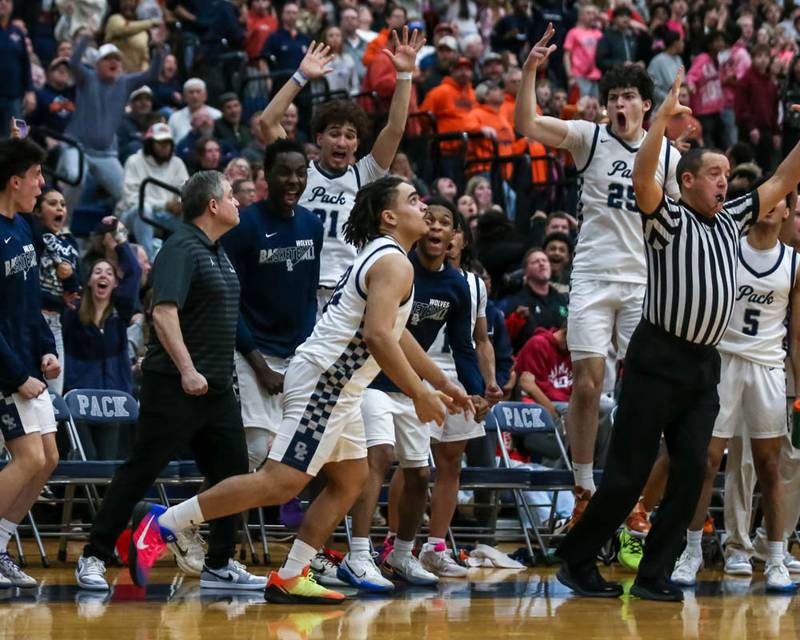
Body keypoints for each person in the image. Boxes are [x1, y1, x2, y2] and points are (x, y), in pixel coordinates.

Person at [128, 176, 472, 604]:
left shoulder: (391, 259)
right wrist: (419, 392)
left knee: (351, 479)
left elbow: (397, 334)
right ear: (388, 216)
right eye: (413, 200)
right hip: (327, 380)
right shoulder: (393, 263)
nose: (423, 208)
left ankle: (292, 574)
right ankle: (163, 523)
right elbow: (378, 337)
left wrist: (440, 382)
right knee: (281, 482)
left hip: (339, 385)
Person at [556, 70, 800, 602]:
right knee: (627, 475)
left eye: (726, 173)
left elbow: (782, 179)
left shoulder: (733, 218)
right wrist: (660, 124)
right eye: (713, 172)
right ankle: (577, 560)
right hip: (656, 358)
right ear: (686, 180)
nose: (722, 180)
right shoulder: (663, 218)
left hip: (703, 365)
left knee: (694, 471)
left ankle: (655, 574)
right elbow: (645, 177)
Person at [515, 25, 679, 538]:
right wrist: (529, 71)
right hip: (591, 277)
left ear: (646, 106)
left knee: (641, 394)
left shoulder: (668, 157)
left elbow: (674, 229)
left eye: (628, 96)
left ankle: (628, 498)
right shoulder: (589, 137)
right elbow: (525, 123)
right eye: (612, 97)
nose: (618, 104)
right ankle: (583, 490)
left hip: (642, 282)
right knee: (586, 386)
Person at [74, 171, 260, 591]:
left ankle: (220, 564)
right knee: (141, 470)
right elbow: (163, 312)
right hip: (174, 384)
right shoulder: (181, 246)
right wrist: (188, 369)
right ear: (212, 205)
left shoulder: (218, 251)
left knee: (235, 474)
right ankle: (94, 556)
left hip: (216, 388)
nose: (237, 202)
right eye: (231, 196)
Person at [340, 198, 486, 590]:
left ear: (455, 235)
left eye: (445, 222)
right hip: (373, 378)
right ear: (420, 228)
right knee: (380, 456)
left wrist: (474, 390)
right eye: (430, 219)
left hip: (411, 385)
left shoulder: (458, 285)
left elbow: (464, 345)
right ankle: (359, 554)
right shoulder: (399, 267)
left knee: (421, 473)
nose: (436, 227)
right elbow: (382, 332)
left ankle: (403, 554)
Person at [670, 195, 799, 592]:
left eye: (780, 201)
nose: (769, 204)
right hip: (722, 361)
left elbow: (797, 337)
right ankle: (691, 551)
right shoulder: (728, 247)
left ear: (788, 212)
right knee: (706, 461)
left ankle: (776, 557)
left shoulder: (794, 263)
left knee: (770, 465)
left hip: (766, 367)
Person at [259, 32, 422, 315]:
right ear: (319, 138)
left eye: (350, 136)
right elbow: (268, 121)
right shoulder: (300, 173)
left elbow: (395, 129)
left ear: (357, 144)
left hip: (345, 292)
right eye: (334, 134)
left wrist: (404, 75)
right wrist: (301, 76)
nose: (342, 142)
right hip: (300, 285)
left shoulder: (364, 175)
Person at [221, 139, 322, 474]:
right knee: (253, 451)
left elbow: (309, 295)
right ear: (266, 175)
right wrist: (260, 366)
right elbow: (229, 302)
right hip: (252, 352)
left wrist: (304, 353)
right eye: (284, 173)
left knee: (291, 455)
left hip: (296, 356)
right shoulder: (244, 225)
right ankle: (188, 520)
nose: (293, 180)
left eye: (300, 173)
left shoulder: (312, 225)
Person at [0, 136, 60, 588]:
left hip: (27, 364)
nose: (41, 185)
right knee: (27, 457)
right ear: (14, 180)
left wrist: (46, 348)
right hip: (7, 372)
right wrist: (17, 375)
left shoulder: (23, 229)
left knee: (49, 459)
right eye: (36, 176)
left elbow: (32, 302)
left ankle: (1, 544)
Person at [57, 37, 163, 215]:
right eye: (108, 58)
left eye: (117, 59)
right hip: (77, 146)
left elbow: (151, 76)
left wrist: (159, 53)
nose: (113, 61)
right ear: (97, 64)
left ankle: (115, 233)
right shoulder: (88, 77)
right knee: (77, 178)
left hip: (105, 153)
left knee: (127, 196)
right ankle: (60, 224)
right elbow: (74, 63)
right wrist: (85, 39)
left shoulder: (125, 82)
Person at [61, 228, 142, 460]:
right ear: (88, 281)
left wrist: (120, 240)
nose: (103, 276)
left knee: (107, 462)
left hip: (113, 399)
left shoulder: (121, 313)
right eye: (97, 272)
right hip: (80, 399)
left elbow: (134, 271)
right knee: (86, 457)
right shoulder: (72, 313)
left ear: (115, 283)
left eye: (109, 273)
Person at [30, 187, 80, 397]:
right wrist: (57, 298)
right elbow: (26, 288)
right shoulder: (32, 234)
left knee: (55, 397)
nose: (59, 207)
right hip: (33, 317)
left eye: (63, 204)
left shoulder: (70, 242)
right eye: (52, 203)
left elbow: (76, 289)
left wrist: (68, 276)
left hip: (57, 324)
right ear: (38, 211)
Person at [119, 123, 189, 260]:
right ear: (150, 143)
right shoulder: (134, 161)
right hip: (131, 218)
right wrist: (164, 205)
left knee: (192, 214)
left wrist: (180, 204)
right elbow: (131, 199)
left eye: (168, 142)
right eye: (160, 142)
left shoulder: (177, 163)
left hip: (166, 215)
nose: (165, 147)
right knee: (144, 209)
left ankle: (185, 261)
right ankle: (149, 261)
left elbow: (185, 190)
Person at [0, 0, 35, 138]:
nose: (3, 3)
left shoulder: (18, 33)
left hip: (15, 98)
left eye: (7, 0)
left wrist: (30, 91)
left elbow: (26, 64)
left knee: (20, 140)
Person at [168, 78, 222, 144]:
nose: (194, 96)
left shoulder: (217, 115)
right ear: (184, 96)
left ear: (205, 95)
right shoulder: (175, 117)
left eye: (198, 92)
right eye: (191, 92)